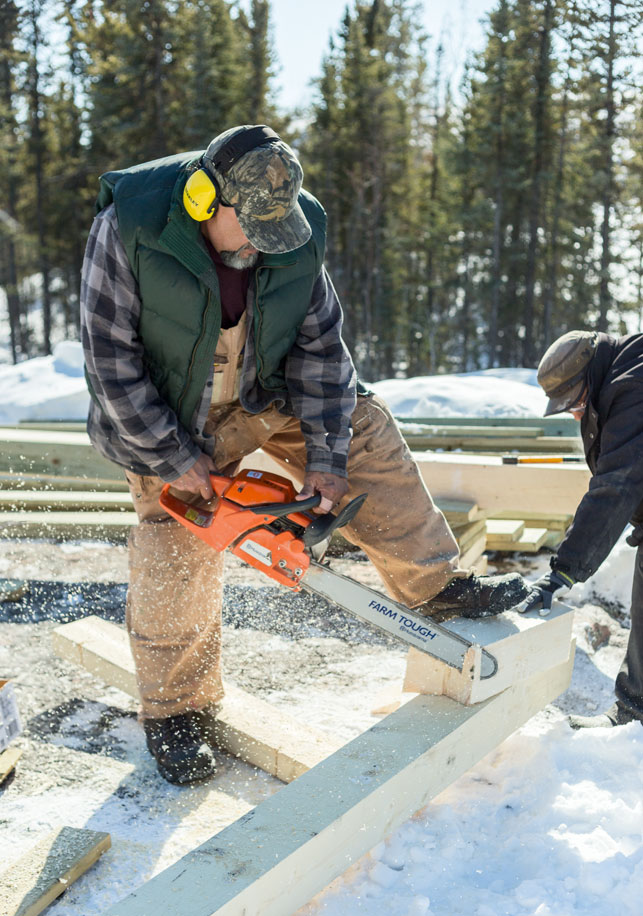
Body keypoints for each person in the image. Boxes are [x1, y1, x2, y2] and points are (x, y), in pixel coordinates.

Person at [80, 124, 530, 784]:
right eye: (254, 227)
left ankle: (432, 584)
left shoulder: (294, 229)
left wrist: (326, 457)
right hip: (166, 414)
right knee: (174, 547)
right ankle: (177, 712)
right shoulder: (129, 227)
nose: (268, 242)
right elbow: (109, 362)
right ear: (208, 200)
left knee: (362, 430)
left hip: (262, 391)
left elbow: (322, 351)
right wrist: (175, 458)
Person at [524, 329, 643, 730]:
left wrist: (564, 570)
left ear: (590, 376)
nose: (575, 414)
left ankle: (634, 718)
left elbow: (616, 485)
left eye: (574, 403)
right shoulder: (617, 375)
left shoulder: (634, 386)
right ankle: (635, 713)